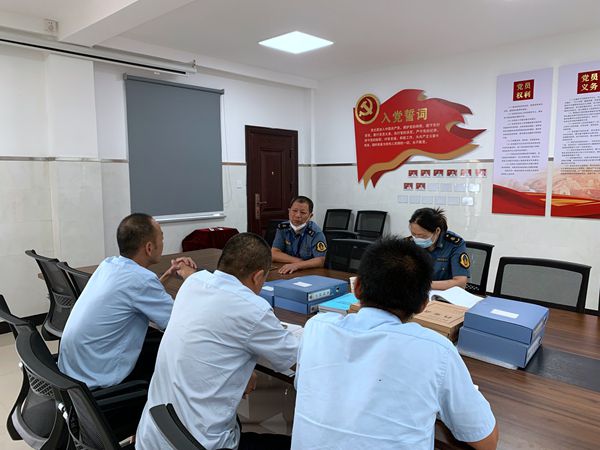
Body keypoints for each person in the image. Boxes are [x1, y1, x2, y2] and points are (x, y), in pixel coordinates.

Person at [291, 237, 498, 450]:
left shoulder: (317, 327)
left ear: (357, 287)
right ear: (423, 304)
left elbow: (304, 386)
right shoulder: (437, 350)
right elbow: (486, 441)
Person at [136, 232, 299, 450]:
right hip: (201, 444)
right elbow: (299, 359)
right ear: (258, 276)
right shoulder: (253, 308)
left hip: (154, 435)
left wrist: (243, 370)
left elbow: (216, 333)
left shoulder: (193, 283)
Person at [58, 213, 197, 390]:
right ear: (149, 248)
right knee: (181, 347)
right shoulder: (141, 281)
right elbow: (179, 323)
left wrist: (168, 275)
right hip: (98, 377)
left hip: (75, 370)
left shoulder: (109, 265)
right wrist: (191, 279)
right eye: (161, 238)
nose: (163, 243)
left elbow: (138, 295)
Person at [409, 207, 470, 290]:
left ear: (437, 231)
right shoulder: (408, 244)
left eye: (421, 235)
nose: (417, 239)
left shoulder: (454, 244)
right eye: (413, 234)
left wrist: (423, 285)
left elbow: (461, 283)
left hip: (444, 294)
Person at [272, 196, 327, 274]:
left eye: (303, 212)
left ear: (310, 216)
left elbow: (321, 260)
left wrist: (298, 265)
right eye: (294, 211)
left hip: (309, 272)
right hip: (288, 270)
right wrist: (297, 261)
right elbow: (274, 253)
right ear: (289, 211)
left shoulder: (316, 232)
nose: (298, 215)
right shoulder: (283, 228)